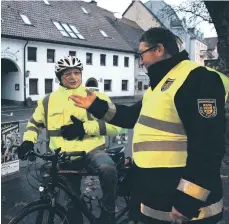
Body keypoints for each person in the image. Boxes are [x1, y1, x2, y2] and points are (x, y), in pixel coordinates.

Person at [68, 27, 229, 224]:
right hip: (158, 197)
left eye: (142, 54)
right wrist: (95, 105)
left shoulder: (196, 78)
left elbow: (209, 146)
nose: (141, 61)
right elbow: (130, 116)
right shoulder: (159, 86)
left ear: (159, 49)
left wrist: (189, 199)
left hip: (187, 209)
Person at [17, 56, 125, 224]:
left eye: (77, 73)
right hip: (63, 156)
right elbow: (33, 124)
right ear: (60, 77)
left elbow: (118, 126)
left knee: (108, 169)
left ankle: (108, 212)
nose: (73, 77)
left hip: (92, 151)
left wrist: (85, 128)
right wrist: (28, 141)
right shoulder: (47, 101)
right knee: (71, 203)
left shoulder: (95, 96)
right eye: (67, 74)